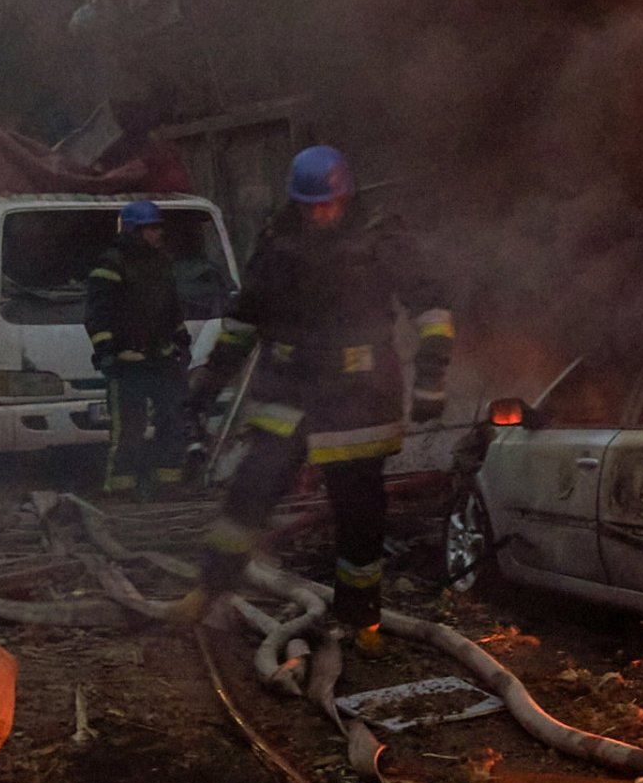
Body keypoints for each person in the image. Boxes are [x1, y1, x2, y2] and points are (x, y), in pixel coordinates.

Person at [180, 147, 452, 648]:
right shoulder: (277, 239)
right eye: (310, 205)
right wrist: (212, 379)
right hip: (290, 387)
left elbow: (431, 306)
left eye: (327, 204)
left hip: (359, 397)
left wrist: (431, 379)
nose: (318, 213)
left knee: (359, 516)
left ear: (345, 196)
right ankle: (208, 590)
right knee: (251, 489)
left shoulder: (380, 237)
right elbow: (245, 318)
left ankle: (359, 618)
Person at [87, 199, 193, 496]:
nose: (159, 233)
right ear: (134, 230)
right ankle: (121, 488)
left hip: (161, 358)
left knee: (172, 422)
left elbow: (171, 308)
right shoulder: (111, 264)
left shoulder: (162, 262)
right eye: (152, 228)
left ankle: (167, 485)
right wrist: (106, 353)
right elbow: (98, 315)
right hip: (126, 361)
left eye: (159, 227)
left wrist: (181, 339)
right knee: (129, 430)